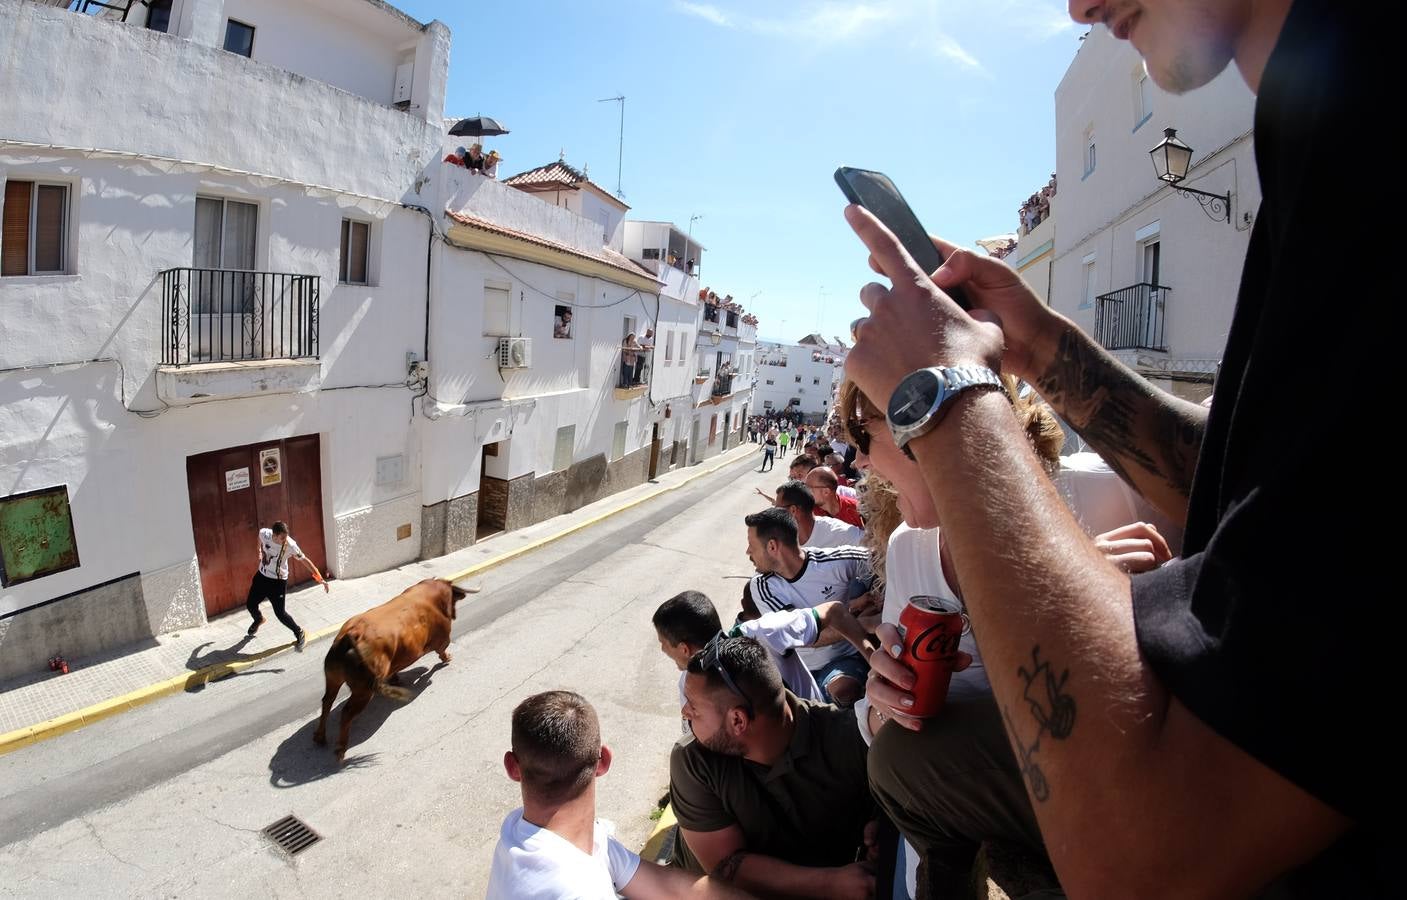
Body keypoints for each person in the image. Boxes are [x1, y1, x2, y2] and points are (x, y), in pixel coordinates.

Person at [841, 1, 1383, 895]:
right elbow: (1249, 476)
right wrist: (1040, 347)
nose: (1077, 7)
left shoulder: (1370, 123)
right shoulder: (1316, 122)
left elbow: (1143, 856)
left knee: (912, 773)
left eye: (872, 436)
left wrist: (942, 396)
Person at [670, 637, 878, 898]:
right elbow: (726, 869)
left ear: (738, 720)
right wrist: (832, 884)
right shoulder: (694, 760)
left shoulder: (849, 740)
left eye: (694, 708)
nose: (685, 713)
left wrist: (877, 822)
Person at [487, 691, 745, 898]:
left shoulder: (522, 830)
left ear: (512, 767)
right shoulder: (577, 888)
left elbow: (666, 885)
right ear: (604, 761)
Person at [745, 507, 870, 706]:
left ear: (772, 546)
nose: (748, 552)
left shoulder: (834, 562)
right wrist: (862, 624)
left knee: (844, 691)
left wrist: (879, 598)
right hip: (797, 671)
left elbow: (880, 560)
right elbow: (801, 635)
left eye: (751, 545)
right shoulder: (763, 586)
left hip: (842, 661)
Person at [246, 520, 325, 650]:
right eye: (282, 538)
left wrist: (319, 577)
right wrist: (258, 551)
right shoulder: (265, 533)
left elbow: (305, 561)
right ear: (274, 535)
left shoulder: (291, 545)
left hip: (277, 582)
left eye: (286, 537)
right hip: (261, 577)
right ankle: (259, 619)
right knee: (250, 604)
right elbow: (259, 538)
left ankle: (299, 632)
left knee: (280, 614)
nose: (285, 540)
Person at [773, 479, 863, 549]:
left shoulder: (837, 531)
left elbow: (871, 547)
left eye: (778, 508)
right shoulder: (778, 538)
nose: (775, 513)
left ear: (793, 510)